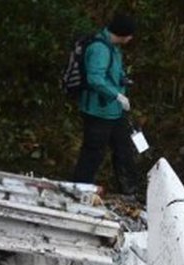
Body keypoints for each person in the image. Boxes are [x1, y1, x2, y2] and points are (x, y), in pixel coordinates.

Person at [71, 12, 140, 197]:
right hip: (97, 112)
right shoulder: (100, 48)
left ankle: (129, 192)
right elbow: (95, 78)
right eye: (130, 35)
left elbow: (111, 73)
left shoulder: (113, 47)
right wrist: (117, 95)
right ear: (123, 33)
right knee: (92, 154)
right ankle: (79, 190)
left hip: (115, 112)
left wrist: (122, 82)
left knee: (124, 150)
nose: (131, 38)